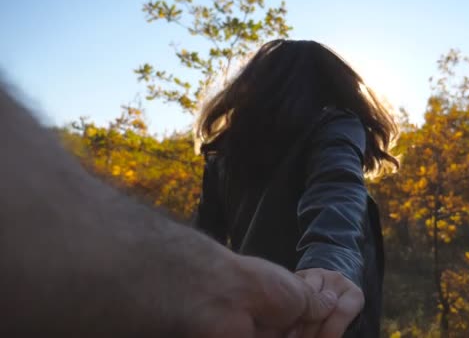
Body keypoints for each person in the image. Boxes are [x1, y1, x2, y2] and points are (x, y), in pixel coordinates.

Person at [0, 82, 338, 337]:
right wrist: (327, 273)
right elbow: (339, 191)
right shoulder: (332, 122)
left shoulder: (227, 147)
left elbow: (206, 235)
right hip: (316, 315)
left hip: (250, 312)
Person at [194, 39, 399, 338]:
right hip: (322, 315)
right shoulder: (336, 122)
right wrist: (331, 264)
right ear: (332, 84)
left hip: (260, 314)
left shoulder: (224, 153)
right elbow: (338, 187)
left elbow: (202, 244)